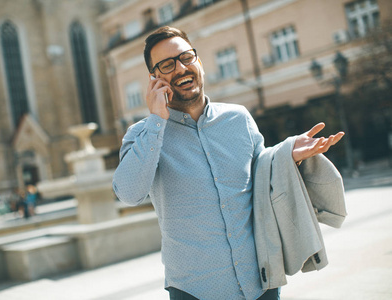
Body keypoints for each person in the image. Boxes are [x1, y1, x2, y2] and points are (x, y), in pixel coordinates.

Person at [112, 26, 345, 300]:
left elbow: (262, 175)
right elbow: (128, 193)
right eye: (167, 65)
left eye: (186, 57)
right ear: (154, 79)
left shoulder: (239, 118)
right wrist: (156, 120)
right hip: (195, 291)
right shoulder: (143, 134)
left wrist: (287, 154)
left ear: (198, 62)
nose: (180, 68)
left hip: (262, 284)